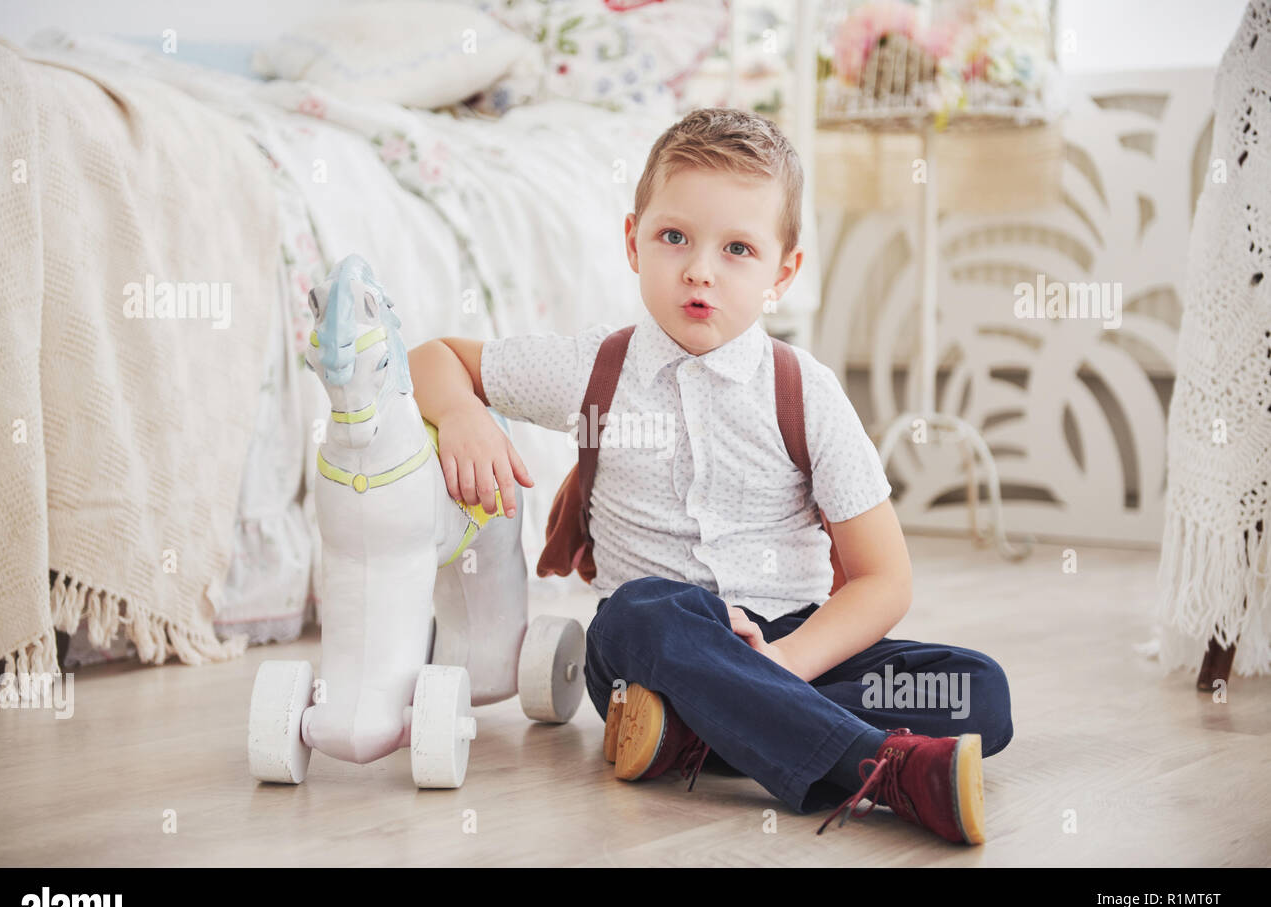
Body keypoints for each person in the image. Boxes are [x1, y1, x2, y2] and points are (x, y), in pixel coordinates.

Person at [407, 107, 1012, 844]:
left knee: (980, 691)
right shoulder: (593, 369)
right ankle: (876, 767)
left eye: (737, 249)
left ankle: (691, 736)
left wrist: (785, 662)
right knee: (639, 610)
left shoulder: (805, 391)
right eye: (674, 238)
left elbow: (884, 580)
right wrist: (463, 414)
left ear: (781, 273)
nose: (700, 268)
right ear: (633, 241)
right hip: (657, 649)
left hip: (792, 642)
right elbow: (433, 357)